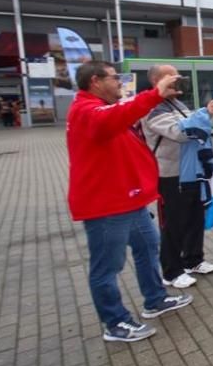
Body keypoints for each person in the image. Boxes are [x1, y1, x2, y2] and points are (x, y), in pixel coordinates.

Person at [67, 61, 192, 342]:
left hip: (129, 200)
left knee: (148, 247)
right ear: (95, 81)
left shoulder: (103, 109)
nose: (120, 83)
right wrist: (154, 93)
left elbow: (124, 116)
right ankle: (115, 323)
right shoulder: (87, 111)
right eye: (114, 78)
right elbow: (116, 117)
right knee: (107, 267)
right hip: (106, 206)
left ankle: (155, 299)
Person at [142, 64, 213, 289]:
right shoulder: (153, 107)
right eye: (172, 76)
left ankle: (193, 259)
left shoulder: (175, 102)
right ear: (158, 81)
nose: (178, 79)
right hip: (171, 174)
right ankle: (171, 271)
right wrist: (203, 115)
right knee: (174, 222)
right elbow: (181, 132)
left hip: (191, 171)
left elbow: (192, 124)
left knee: (195, 215)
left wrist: (205, 112)